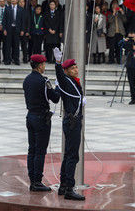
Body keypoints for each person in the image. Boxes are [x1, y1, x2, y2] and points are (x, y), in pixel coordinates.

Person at [52, 49, 85, 201]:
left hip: (73, 120)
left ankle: (64, 185)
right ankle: (69, 189)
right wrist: (58, 63)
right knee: (73, 156)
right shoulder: (65, 80)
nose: (76, 70)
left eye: (76, 67)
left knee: (68, 154)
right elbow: (60, 75)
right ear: (66, 71)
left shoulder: (73, 81)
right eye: (72, 68)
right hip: (72, 122)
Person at [24, 54, 60, 191]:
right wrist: (57, 87)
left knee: (32, 149)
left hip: (30, 116)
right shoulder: (44, 81)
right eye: (43, 64)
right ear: (39, 66)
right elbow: (55, 98)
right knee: (40, 151)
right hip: (41, 118)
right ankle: (37, 181)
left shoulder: (27, 79)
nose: (44, 66)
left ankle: (32, 179)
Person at [4, 0, 25, 65]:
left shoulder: (21, 9)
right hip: (9, 29)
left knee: (16, 45)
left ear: (17, 0)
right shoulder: (7, 8)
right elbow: (4, 19)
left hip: (17, 29)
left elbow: (23, 21)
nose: (13, 0)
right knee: (8, 45)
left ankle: (16, 60)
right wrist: (4, 29)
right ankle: (7, 60)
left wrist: (22, 30)